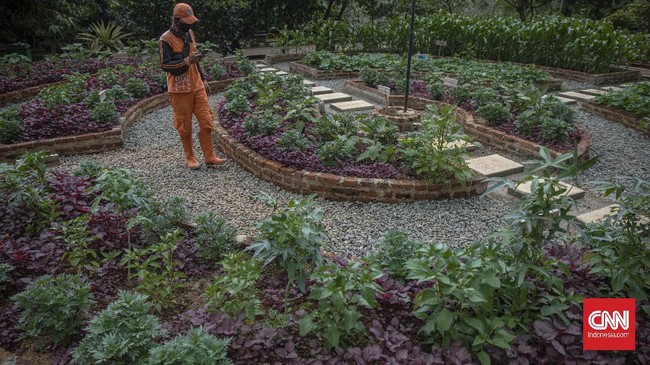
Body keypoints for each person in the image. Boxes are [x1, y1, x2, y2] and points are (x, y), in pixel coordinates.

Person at [159, 3, 226, 170]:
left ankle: (209, 156)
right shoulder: (165, 39)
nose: (189, 24)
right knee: (184, 126)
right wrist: (188, 61)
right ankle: (190, 157)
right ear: (176, 20)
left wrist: (203, 79)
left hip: (197, 87)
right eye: (186, 21)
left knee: (207, 121)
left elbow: (194, 58)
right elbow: (166, 65)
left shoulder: (189, 33)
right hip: (179, 90)